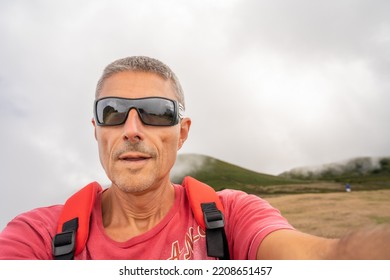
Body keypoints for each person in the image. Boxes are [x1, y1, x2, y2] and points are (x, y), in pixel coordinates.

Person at [0, 56, 389, 260]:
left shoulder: (233, 216)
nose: (132, 128)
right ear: (96, 130)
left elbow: (325, 261)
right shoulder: (37, 236)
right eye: (113, 112)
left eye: (155, 112)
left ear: (181, 132)